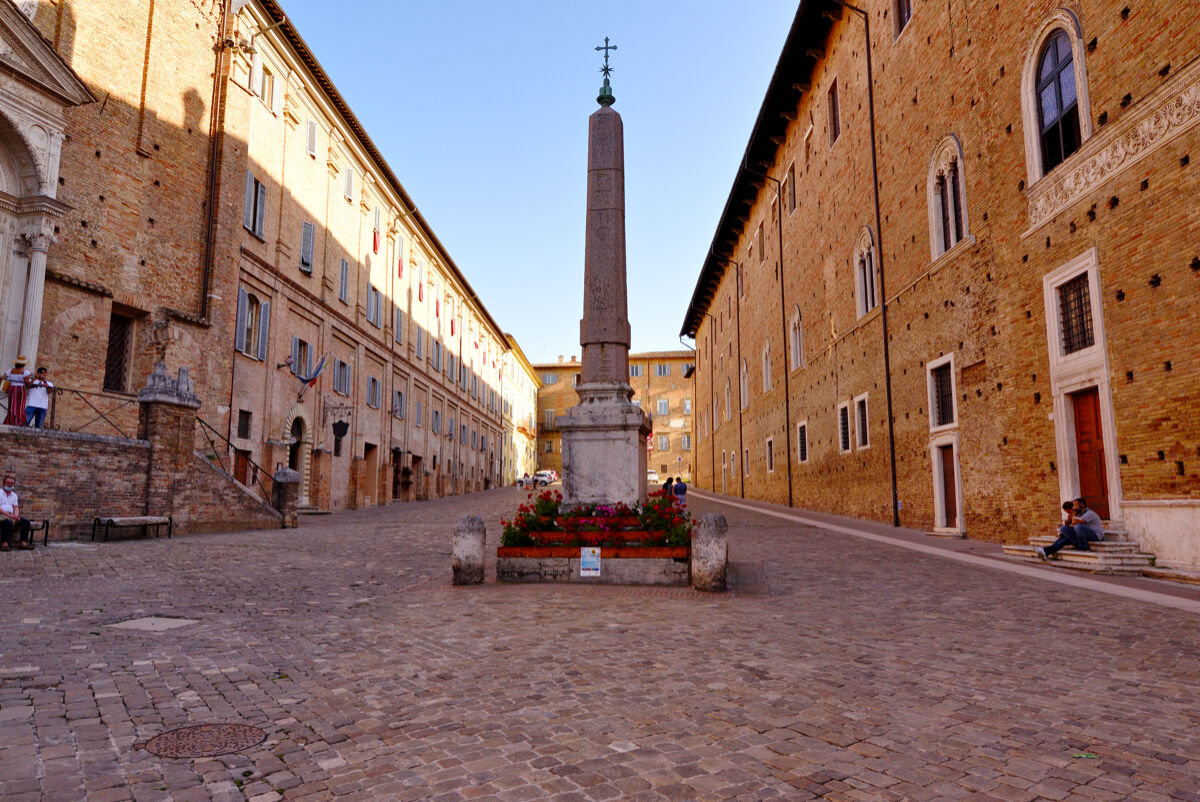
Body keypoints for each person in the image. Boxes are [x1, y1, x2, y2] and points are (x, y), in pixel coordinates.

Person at [1036, 497, 1104, 559]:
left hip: (1096, 535)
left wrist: (1074, 512)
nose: (1073, 507)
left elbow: (1075, 523)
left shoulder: (1089, 513)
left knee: (1078, 527)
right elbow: (1071, 525)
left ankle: (1083, 546)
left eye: (1074, 505)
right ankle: (1045, 551)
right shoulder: (1080, 514)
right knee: (1063, 531)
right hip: (1082, 535)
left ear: (1081, 506)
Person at [0, 474, 32, 551]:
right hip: (2, 515)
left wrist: (16, 516)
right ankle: (4, 544)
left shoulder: (14, 495)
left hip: (11, 515)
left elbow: (15, 507)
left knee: (26, 522)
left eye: (12, 483)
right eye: (8, 483)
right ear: (4, 484)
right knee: (7, 522)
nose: (10, 485)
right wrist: (11, 517)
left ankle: (23, 543)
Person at [3, 355, 29, 427]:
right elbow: (27, 383)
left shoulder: (10, 371)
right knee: (20, 407)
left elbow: (2, 377)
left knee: (11, 406)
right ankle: (19, 422)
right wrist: (33, 380)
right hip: (20, 390)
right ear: (24, 364)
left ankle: (10, 421)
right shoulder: (25, 372)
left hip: (12, 388)